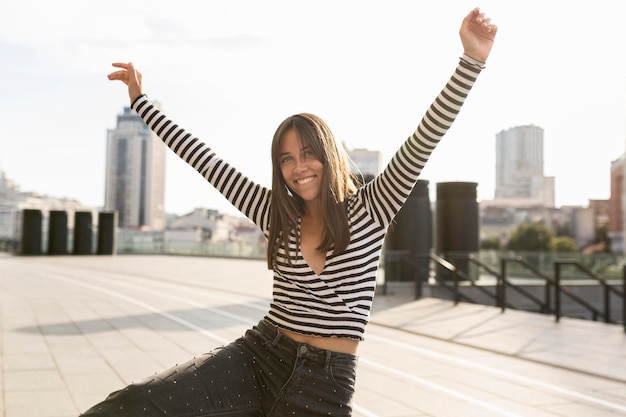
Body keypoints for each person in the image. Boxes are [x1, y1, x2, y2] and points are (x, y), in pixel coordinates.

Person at [83, 6, 496, 417]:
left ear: (328, 155)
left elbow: (424, 138)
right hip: (258, 357)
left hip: (324, 383)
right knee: (133, 405)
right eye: (286, 159)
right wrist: (141, 102)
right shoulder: (275, 213)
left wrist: (471, 61)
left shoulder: (373, 207)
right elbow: (204, 160)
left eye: (308, 154)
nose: (299, 167)